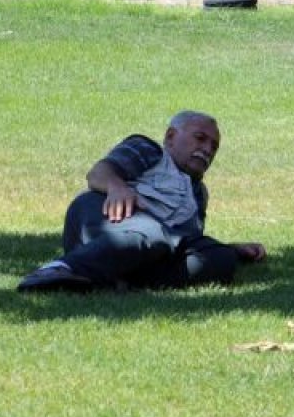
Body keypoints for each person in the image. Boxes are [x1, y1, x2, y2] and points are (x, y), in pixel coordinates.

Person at [18, 111, 266, 292]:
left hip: (154, 242)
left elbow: (185, 242)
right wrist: (117, 188)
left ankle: (116, 281)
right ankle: (56, 269)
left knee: (220, 259)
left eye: (214, 146)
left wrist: (233, 249)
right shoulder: (149, 151)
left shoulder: (199, 192)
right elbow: (98, 173)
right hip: (104, 214)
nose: (207, 149)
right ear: (170, 136)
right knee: (153, 233)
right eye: (200, 138)